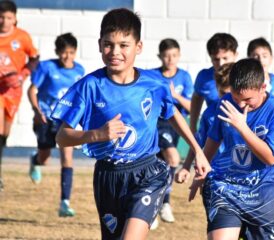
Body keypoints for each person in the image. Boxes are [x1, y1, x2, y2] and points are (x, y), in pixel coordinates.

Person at [51, 8, 209, 240]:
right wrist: (96, 134)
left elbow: (172, 112)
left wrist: (197, 151)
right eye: (108, 44)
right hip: (108, 177)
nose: (115, 52)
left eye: (124, 45)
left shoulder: (153, 84)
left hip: (147, 172)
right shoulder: (89, 86)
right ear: (99, 44)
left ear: (139, 47)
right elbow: (61, 137)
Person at [189, 58, 274, 239]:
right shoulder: (226, 102)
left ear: (263, 87)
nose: (241, 105)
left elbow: (271, 159)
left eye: (247, 100)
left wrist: (243, 128)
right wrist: (201, 171)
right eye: (237, 98)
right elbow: (214, 139)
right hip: (227, 186)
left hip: (265, 191)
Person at [27, 32, 85, 217]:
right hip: (45, 118)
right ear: (57, 52)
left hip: (64, 121)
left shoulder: (79, 71)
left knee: (67, 158)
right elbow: (32, 90)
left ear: (75, 52)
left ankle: (64, 203)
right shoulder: (46, 67)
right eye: (63, 52)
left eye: (71, 52)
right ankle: (35, 161)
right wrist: (37, 111)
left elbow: (79, 97)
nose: (67, 57)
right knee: (45, 157)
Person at [150, 38, 194, 226]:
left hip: (177, 124)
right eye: (166, 55)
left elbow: (192, 107)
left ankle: (152, 206)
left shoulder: (184, 77)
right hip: (158, 123)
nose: (170, 59)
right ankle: (165, 204)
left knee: (159, 166)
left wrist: (175, 95)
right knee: (174, 158)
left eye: (174, 55)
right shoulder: (152, 76)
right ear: (160, 56)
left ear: (179, 56)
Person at [0, 0, 39, 191]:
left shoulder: (22, 37)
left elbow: (34, 58)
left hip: (13, 90)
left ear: (15, 18)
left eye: (8, 17)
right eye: (1, 17)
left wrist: (22, 75)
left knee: (4, 133)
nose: (4, 21)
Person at [175, 62, 233, 184]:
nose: (226, 99)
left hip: (243, 178)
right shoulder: (210, 114)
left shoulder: (251, 112)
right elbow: (198, 142)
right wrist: (186, 166)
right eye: (222, 93)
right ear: (216, 88)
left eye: (230, 94)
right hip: (215, 175)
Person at [189, 33, 238, 134]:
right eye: (216, 59)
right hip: (214, 130)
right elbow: (197, 99)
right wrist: (193, 127)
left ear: (235, 55)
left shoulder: (245, 75)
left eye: (225, 58)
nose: (221, 63)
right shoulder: (204, 77)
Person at [247, 37, 274, 103]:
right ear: (249, 59)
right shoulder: (245, 81)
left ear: (271, 58)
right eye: (256, 56)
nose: (260, 60)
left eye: (264, 56)